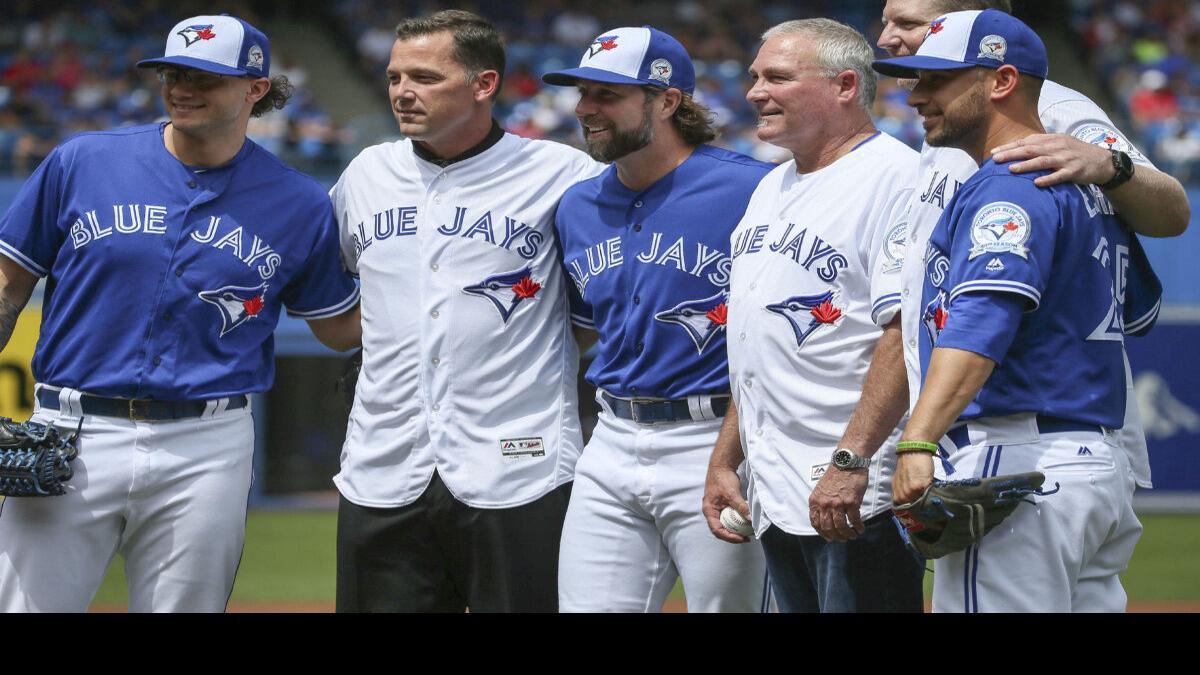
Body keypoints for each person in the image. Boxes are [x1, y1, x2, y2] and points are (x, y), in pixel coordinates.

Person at [0, 14, 361, 612]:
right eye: (172, 71)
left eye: (204, 76)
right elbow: (9, 283)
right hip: (71, 428)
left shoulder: (299, 201)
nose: (181, 87)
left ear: (256, 89)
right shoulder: (83, 161)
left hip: (207, 441)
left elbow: (337, 326)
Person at [873, 8, 1159, 612]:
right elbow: (1139, 309)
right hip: (1091, 462)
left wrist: (917, 442)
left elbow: (982, 321)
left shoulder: (1011, 182)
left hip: (1019, 458)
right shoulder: (1082, 186)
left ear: (1001, 81)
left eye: (937, 80)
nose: (916, 95)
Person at [330, 10, 601, 613]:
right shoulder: (364, 175)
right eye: (396, 76)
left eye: (425, 77)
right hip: (384, 466)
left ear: (484, 85)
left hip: (518, 467)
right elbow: (346, 296)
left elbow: (591, 316)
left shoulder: (563, 175)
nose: (403, 91)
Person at [543, 25, 772, 612]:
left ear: (668, 101)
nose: (585, 109)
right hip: (611, 439)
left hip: (719, 441)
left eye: (607, 95)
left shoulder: (756, 190)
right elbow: (590, 322)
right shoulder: (577, 206)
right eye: (583, 93)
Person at [702, 18, 924, 613]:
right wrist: (728, 458)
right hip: (776, 486)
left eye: (777, 77)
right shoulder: (770, 187)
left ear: (845, 85)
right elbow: (755, 348)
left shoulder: (896, 179)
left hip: (853, 493)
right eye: (754, 77)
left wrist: (851, 461)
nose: (754, 92)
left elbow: (903, 336)